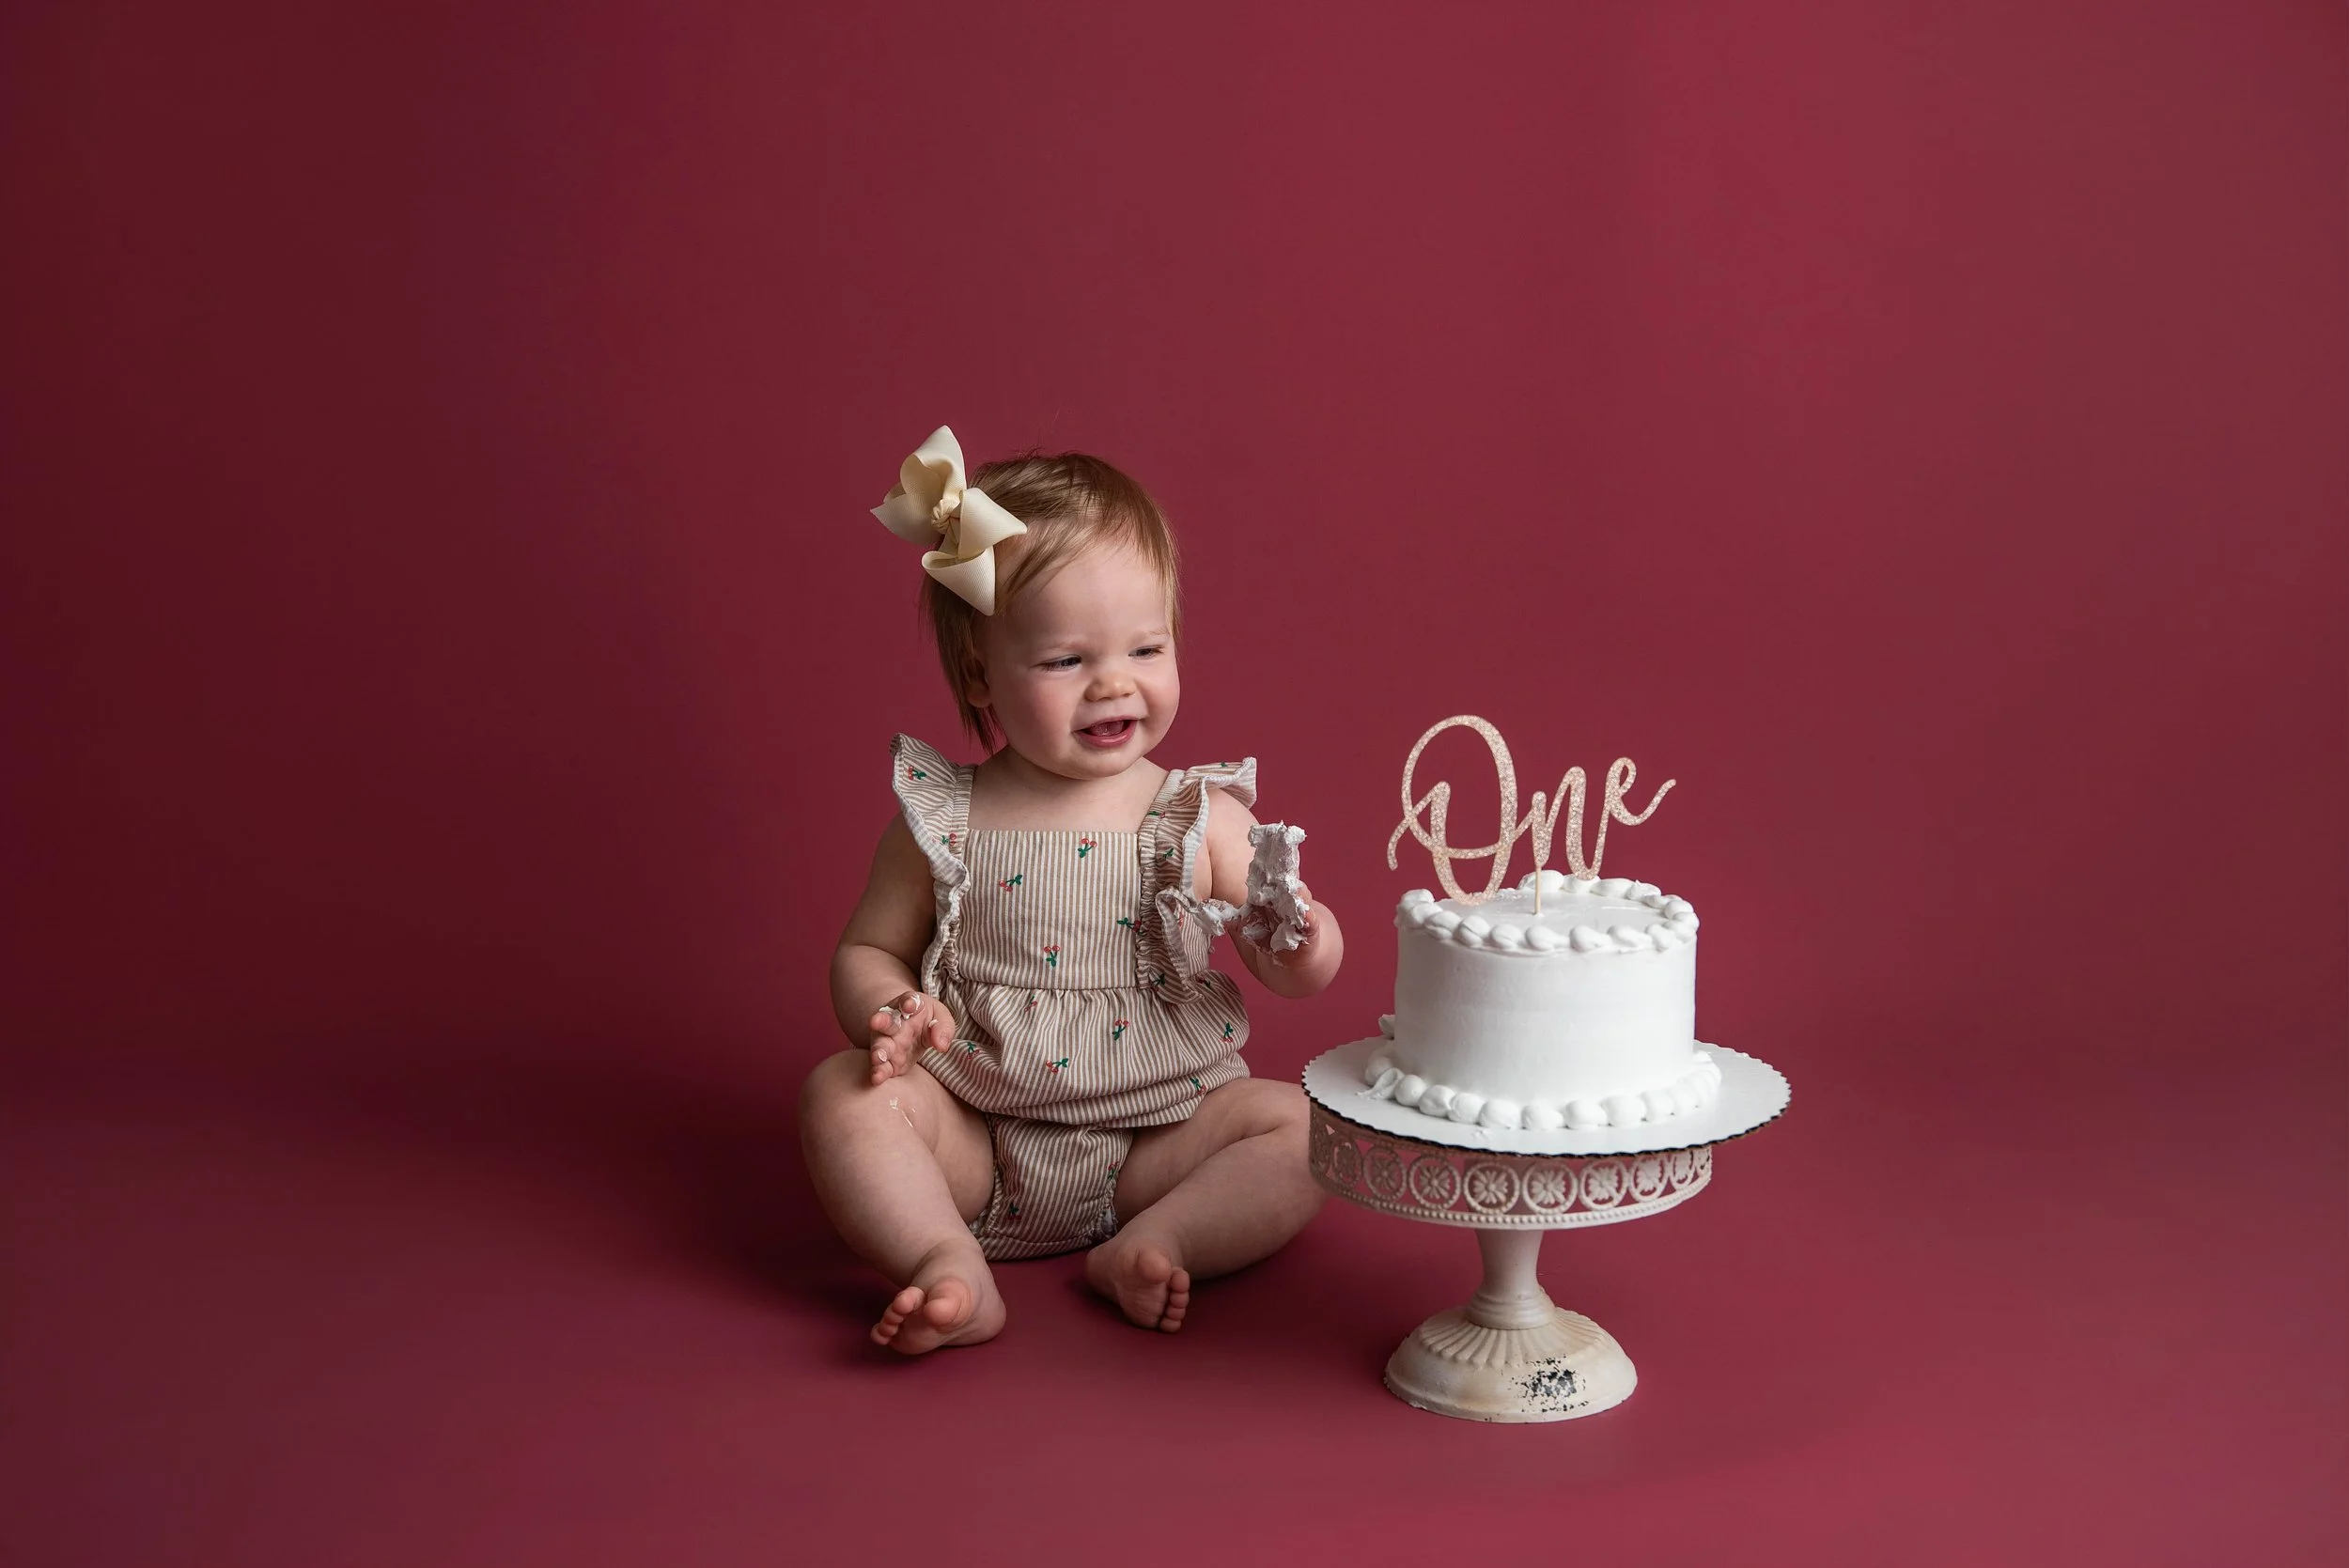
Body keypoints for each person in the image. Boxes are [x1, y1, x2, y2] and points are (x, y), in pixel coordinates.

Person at [799, 427, 1344, 1354]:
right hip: (974, 1128)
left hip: (1157, 1142)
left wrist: (1293, 938)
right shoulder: (944, 816)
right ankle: (944, 1258)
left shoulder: (1193, 813)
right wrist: (888, 1012)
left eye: (1146, 646)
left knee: (1304, 1128)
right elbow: (867, 950)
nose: (1114, 683)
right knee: (841, 1097)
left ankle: (1159, 1242)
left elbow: (1297, 965)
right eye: (1065, 660)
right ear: (981, 672)